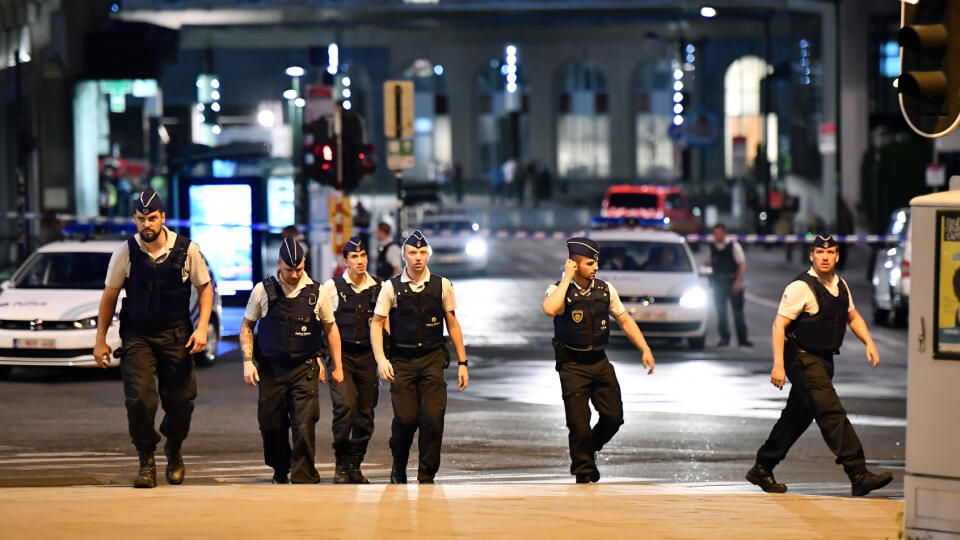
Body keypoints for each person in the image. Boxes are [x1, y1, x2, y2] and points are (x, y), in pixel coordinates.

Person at [746, 234, 893, 497]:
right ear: (812, 255)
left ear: (837, 256)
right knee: (831, 412)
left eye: (831, 253)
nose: (825, 257)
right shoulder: (801, 287)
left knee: (796, 418)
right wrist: (778, 365)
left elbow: (852, 315)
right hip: (801, 359)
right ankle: (857, 472)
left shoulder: (840, 284)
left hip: (823, 360)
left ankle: (762, 466)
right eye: (819, 253)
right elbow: (779, 325)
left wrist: (869, 342)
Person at [93, 188, 213, 488]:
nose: (146, 224)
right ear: (135, 219)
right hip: (138, 338)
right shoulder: (126, 252)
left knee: (182, 401)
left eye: (152, 218)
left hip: (176, 336)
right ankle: (146, 459)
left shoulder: (187, 250)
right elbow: (109, 296)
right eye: (141, 219)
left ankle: (173, 448)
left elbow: (205, 288)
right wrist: (100, 339)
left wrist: (201, 329)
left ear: (163, 218)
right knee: (139, 401)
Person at [542, 237, 655, 483]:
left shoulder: (605, 290)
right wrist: (566, 278)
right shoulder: (559, 290)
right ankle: (584, 471)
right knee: (578, 424)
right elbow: (550, 309)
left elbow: (624, 319)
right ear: (574, 264)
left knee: (614, 417)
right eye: (590, 263)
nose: (595, 268)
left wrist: (644, 348)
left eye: (596, 263)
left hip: (599, 362)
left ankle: (588, 449)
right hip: (572, 365)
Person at [240, 237, 344, 484]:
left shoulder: (318, 293)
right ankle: (280, 467)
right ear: (278, 264)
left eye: (299, 269)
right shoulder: (262, 290)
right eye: (289, 270)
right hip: (272, 370)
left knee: (304, 424)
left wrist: (336, 366)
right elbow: (247, 326)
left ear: (304, 263)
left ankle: (304, 473)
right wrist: (247, 361)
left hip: (304, 368)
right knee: (271, 425)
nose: (295, 274)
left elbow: (331, 330)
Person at [369, 230, 469, 484]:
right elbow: (377, 324)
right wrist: (382, 360)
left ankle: (427, 474)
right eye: (412, 253)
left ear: (428, 254)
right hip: (402, 361)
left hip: (433, 359)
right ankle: (399, 465)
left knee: (433, 419)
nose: (418, 258)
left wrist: (463, 363)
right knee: (406, 419)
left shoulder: (441, 285)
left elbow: (453, 323)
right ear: (403, 255)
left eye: (423, 252)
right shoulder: (391, 287)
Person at [322, 237, 383, 484]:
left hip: (368, 357)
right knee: (345, 407)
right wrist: (323, 359)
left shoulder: (380, 287)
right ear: (345, 261)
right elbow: (322, 324)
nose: (360, 261)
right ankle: (340, 465)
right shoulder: (332, 287)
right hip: (342, 357)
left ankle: (355, 465)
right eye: (354, 257)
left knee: (366, 415)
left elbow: (386, 326)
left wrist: (385, 359)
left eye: (363, 256)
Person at [707, 224, 752, 347]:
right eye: (715, 233)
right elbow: (709, 264)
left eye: (719, 233)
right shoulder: (712, 247)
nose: (717, 236)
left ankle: (742, 339)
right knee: (721, 312)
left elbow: (741, 264)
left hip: (732, 281)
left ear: (724, 233)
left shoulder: (733, 246)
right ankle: (724, 338)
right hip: (718, 283)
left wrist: (737, 281)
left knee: (738, 313)